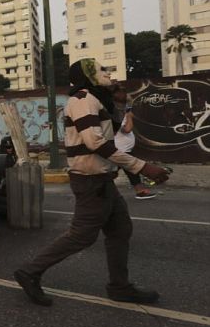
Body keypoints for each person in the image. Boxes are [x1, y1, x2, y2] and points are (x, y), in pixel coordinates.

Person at [13, 59, 169, 306]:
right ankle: (30, 271)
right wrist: (142, 166)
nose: (109, 73)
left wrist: (119, 101)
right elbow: (95, 142)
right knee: (81, 236)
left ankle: (119, 286)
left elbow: (116, 131)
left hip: (102, 179)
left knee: (120, 229)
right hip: (90, 180)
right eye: (102, 70)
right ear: (88, 75)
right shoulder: (83, 99)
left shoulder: (96, 99)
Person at [111, 85, 155, 199]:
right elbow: (127, 129)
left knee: (128, 170)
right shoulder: (117, 114)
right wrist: (130, 117)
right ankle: (140, 191)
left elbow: (129, 102)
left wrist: (128, 111)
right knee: (120, 171)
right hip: (121, 149)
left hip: (123, 149)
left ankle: (140, 191)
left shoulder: (122, 111)